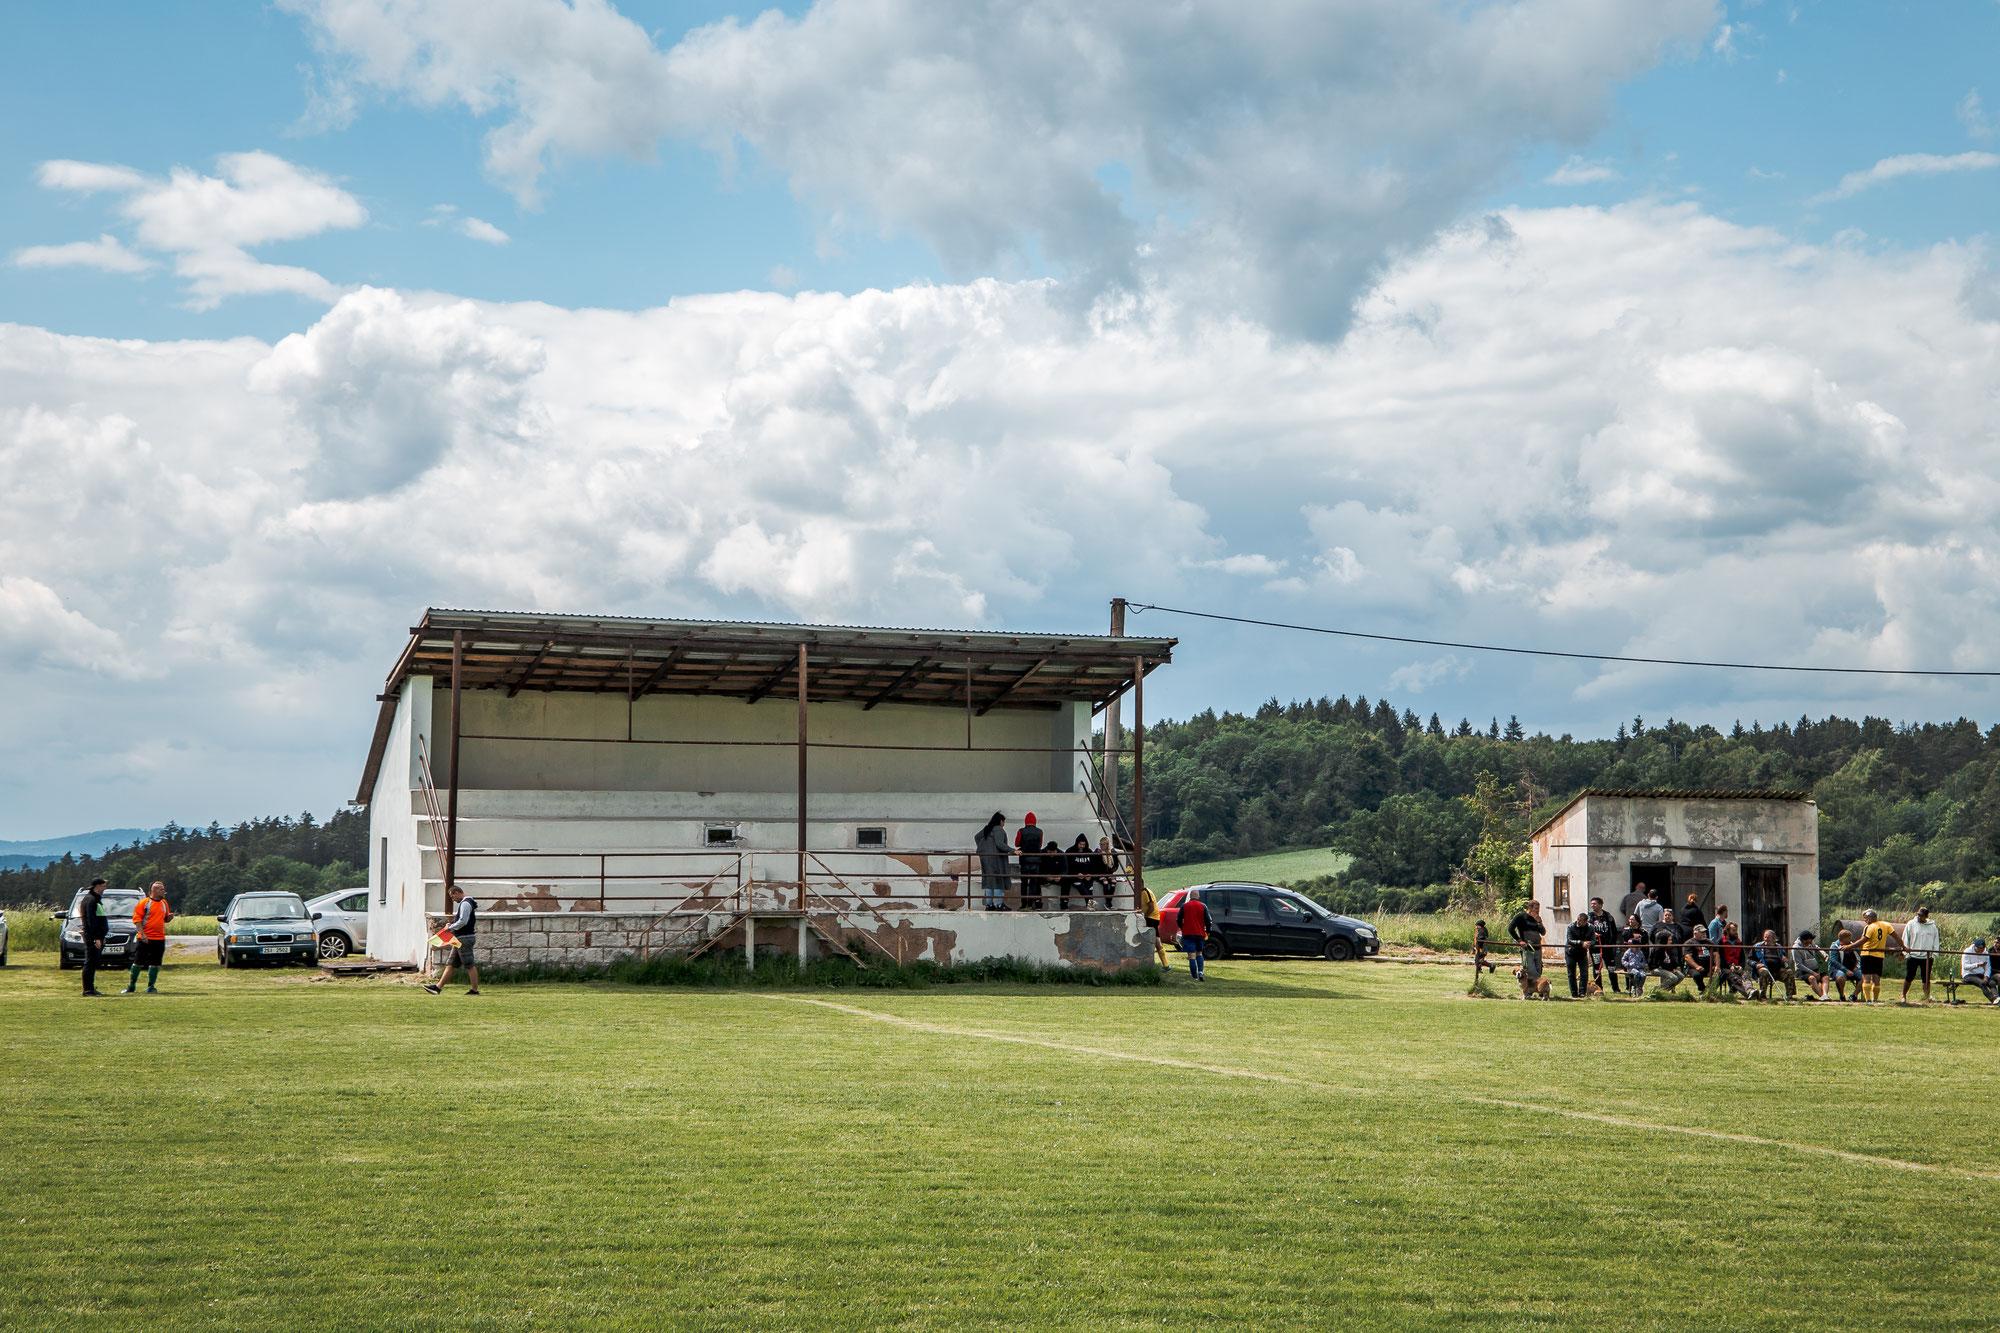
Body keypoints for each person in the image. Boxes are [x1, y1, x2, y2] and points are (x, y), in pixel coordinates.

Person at [423, 887, 480, 995]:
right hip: (459, 938)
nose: (453, 899)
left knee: (469, 964)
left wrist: (450, 927)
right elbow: (461, 920)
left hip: (464, 938)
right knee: (451, 963)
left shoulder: (465, 904)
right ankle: (437, 988)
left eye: (453, 896)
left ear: (457, 893)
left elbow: (463, 921)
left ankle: (474, 990)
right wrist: (452, 924)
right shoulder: (467, 903)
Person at [122, 880, 174, 995]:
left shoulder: (164, 903)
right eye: (161, 889)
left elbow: (164, 919)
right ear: (154, 890)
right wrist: (143, 934)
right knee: (138, 962)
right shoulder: (144, 903)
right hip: (145, 938)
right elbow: (137, 920)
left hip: (159, 938)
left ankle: (151, 986)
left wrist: (169, 918)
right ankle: (131, 985)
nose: (164, 891)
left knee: (155, 963)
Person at [1507, 899, 1548, 999]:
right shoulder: (1521, 917)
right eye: (1536, 908)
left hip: (1537, 947)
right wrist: (1519, 940)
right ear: (1529, 908)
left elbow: (1543, 932)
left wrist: (1539, 922)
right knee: (1531, 970)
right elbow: (1510, 928)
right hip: (1527, 948)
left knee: (1538, 969)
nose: (1538, 910)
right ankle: (1530, 991)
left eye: (1538, 908)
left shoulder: (1537, 919)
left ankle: (1538, 990)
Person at [78, 877, 110, 997]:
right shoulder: (91, 900)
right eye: (103, 886)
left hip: (94, 936)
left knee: (93, 962)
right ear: (97, 887)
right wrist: (97, 937)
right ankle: (87, 989)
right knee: (90, 962)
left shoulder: (93, 899)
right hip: (93, 936)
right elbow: (91, 921)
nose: (104, 888)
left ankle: (90, 987)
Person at [1901, 906, 1940, 1003]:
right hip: (1913, 956)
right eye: (1918, 914)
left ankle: (1926, 997)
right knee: (1909, 977)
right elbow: (1906, 938)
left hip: (1927, 957)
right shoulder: (1911, 924)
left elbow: (1936, 940)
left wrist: (1933, 954)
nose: (1919, 917)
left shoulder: (1932, 926)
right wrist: (1906, 952)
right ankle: (1903, 996)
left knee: (1926, 978)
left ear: (1926, 916)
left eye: (1921, 915)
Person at [974, 813, 1012, 910]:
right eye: (1004, 821)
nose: (1004, 824)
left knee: (989, 881)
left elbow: (976, 837)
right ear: (1000, 821)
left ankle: (989, 904)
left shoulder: (987, 829)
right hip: (996, 859)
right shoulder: (999, 830)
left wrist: (984, 848)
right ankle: (999, 904)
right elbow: (1000, 844)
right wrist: (1012, 850)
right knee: (997, 880)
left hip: (986, 859)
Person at [1858, 909, 1893, 1003]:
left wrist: (1849, 946)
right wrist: (1903, 946)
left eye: (1866, 918)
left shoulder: (1869, 927)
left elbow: (1863, 940)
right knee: (1876, 979)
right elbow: (1896, 935)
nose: (1865, 920)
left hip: (1867, 954)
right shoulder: (1886, 925)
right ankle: (1876, 999)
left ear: (1870, 917)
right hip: (1879, 955)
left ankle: (1868, 1000)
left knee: (1867, 978)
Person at [1587, 898, 1620, 993]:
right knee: (1597, 968)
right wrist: (1593, 934)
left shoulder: (1608, 917)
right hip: (1595, 948)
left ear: (1601, 905)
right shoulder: (1589, 917)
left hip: (1608, 947)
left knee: (1611, 968)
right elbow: (1586, 930)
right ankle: (1599, 988)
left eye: (1594, 904)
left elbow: (1614, 931)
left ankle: (1616, 988)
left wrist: (1613, 944)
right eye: (1591, 904)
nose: (1592, 905)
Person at [1750, 928, 1794, 999]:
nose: (1766, 939)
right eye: (1765, 937)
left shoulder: (1779, 947)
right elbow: (1749, 959)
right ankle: (1763, 995)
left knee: (1789, 972)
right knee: (1764, 971)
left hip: (1778, 970)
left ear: (1774, 938)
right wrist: (1756, 964)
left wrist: (1785, 960)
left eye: (1768, 937)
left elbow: (1783, 957)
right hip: (1764, 968)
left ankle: (1790, 996)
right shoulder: (1758, 947)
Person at [1135, 879, 1169, 968]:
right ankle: (1165, 964)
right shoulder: (1141, 893)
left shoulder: (1146, 892)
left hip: (1152, 918)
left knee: (1155, 940)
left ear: (1140, 884)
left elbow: (1151, 907)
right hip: (1151, 918)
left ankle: (1165, 964)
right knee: (1156, 940)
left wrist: (1145, 917)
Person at [1015, 813, 1046, 910]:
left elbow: (1017, 843)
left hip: (1024, 860)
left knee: (1024, 883)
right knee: (1033, 883)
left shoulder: (1021, 831)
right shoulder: (1040, 832)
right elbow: (1040, 845)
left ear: (1025, 821)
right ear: (1035, 821)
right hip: (1036, 861)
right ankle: (1030, 904)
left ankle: (1023, 904)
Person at [1176, 890, 1209, 981]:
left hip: (1188, 934)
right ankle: (1201, 972)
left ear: (1190, 896)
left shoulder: (1184, 906)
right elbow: (1208, 920)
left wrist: (1182, 927)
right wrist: (1208, 931)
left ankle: (1195, 977)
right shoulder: (1203, 906)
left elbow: (1178, 919)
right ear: (1198, 897)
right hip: (1200, 933)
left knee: (1191, 955)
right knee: (1199, 953)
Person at [1717, 923, 1754, 998]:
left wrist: (1741, 966)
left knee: (1745, 975)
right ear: (1727, 931)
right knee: (1735, 977)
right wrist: (1730, 966)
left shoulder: (1738, 942)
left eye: (1735, 930)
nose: (1735, 932)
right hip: (1724, 967)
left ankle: (1751, 990)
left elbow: (1742, 957)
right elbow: (1720, 958)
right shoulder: (1721, 942)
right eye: (1733, 930)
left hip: (1737, 966)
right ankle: (1748, 994)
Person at [1564, 912, 1595, 997]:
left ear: (1586, 921)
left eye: (1580, 921)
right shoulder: (1571, 927)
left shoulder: (1590, 928)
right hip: (1570, 952)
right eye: (1578, 920)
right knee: (1571, 973)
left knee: (1584, 973)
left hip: (1582, 953)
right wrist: (1581, 943)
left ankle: (1582, 992)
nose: (1578, 922)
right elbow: (1570, 940)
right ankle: (1574, 993)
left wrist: (1589, 943)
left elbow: (1593, 940)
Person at [1791, 929, 1828, 1000]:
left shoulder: (1810, 943)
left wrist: (1823, 953)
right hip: (1802, 971)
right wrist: (1812, 973)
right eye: (1810, 939)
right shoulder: (1796, 948)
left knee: (1825, 978)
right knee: (1812, 978)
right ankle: (1822, 996)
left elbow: (1816, 947)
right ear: (1804, 940)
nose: (1812, 941)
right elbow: (1799, 964)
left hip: (1815, 969)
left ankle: (1825, 995)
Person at [1960, 939, 1999, 1004]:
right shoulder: (1967, 952)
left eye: (1982, 949)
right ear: (1975, 946)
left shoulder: (1985, 953)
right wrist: (1977, 965)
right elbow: (1965, 966)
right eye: (1979, 948)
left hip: (1980, 974)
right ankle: (1993, 1000)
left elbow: (1988, 967)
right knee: (1982, 983)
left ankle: (1996, 997)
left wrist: (1986, 976)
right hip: (1969, 974)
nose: (1980, 950)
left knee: (1992, 983)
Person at [1061, 834, 1093, 910]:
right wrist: (1076, 874)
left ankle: (1089, 905)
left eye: (1083, 844)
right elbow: (1067, 866)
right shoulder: (1070, 851)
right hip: (1074, 876)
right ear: (1077, 843)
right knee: (1080, 886)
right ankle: (1064, 904)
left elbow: (1093, 865)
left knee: (1090, 888)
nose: (1081, 846)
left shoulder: (1089, 852)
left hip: (1087, 876)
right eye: (1080, 844)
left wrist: (1090, 874)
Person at [1829, 929, 1862, 1001]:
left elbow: (1858, 957)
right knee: (1841, 977)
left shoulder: (1852, 945)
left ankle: (1854, 995)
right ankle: (1842, 996)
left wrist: (1857, 966)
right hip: (1838, 969)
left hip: (1853, 969)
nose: (1851, 939)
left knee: (1865, 977)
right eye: (1849, 938)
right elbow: (1833, 961)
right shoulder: (1835, 946)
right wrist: (1845, 970)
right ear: (1843, 938)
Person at [1621, 930, 1649, 996]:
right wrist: (1628, 965)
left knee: (1643, 975)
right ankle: (1634, 986)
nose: (1630, 946)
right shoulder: (1628, 952)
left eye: (1631, 944)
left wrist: (1641, 965)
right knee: (1636, 974)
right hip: (1631, 968)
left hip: (1639, 968)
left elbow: (1643, 960)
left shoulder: (1640, 952)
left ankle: (1639, 988)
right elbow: (1623, 960)